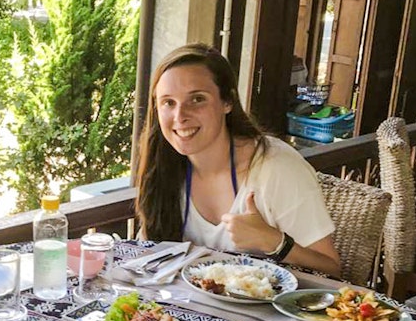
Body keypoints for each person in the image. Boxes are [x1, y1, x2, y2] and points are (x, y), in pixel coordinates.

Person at [135, 43, 341, 276]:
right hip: (184, 310)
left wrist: (275, 242)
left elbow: (332, 269)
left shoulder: (275, 167)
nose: (180, 116)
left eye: (197, 99)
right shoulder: (164, 167)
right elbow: (147, 256)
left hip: (268, 311)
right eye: (168, 102)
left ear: (227, 102)